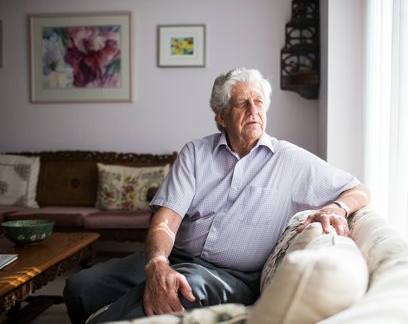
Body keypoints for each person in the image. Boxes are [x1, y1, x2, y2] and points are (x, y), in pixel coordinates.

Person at [63, 68, 370, 323]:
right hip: (178, 257)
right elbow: (166, 219)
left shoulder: (290, 160)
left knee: (178, 290)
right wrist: (157, 262)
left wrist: (338, 207)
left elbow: (359, 189)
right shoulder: (196, 153)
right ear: (221, 117)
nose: (254, 111)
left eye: (259, 103)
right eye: (243, 104)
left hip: (235, 277)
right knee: (80, 287)